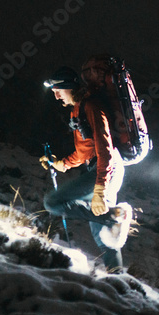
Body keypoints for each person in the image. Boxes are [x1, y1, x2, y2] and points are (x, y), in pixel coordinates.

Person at [40, 60, 132, 272]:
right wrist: (62, 164)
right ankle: (119, 282)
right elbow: (85, 151)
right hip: (101, 168)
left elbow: (105, 148)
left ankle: (113, 216)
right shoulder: (77, 110)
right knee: (104, 239)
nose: (56, 96)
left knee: (53, 201)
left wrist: (100, 188)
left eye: (58, 90)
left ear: (69, 87)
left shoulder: (91, 107)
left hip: (106, 168)